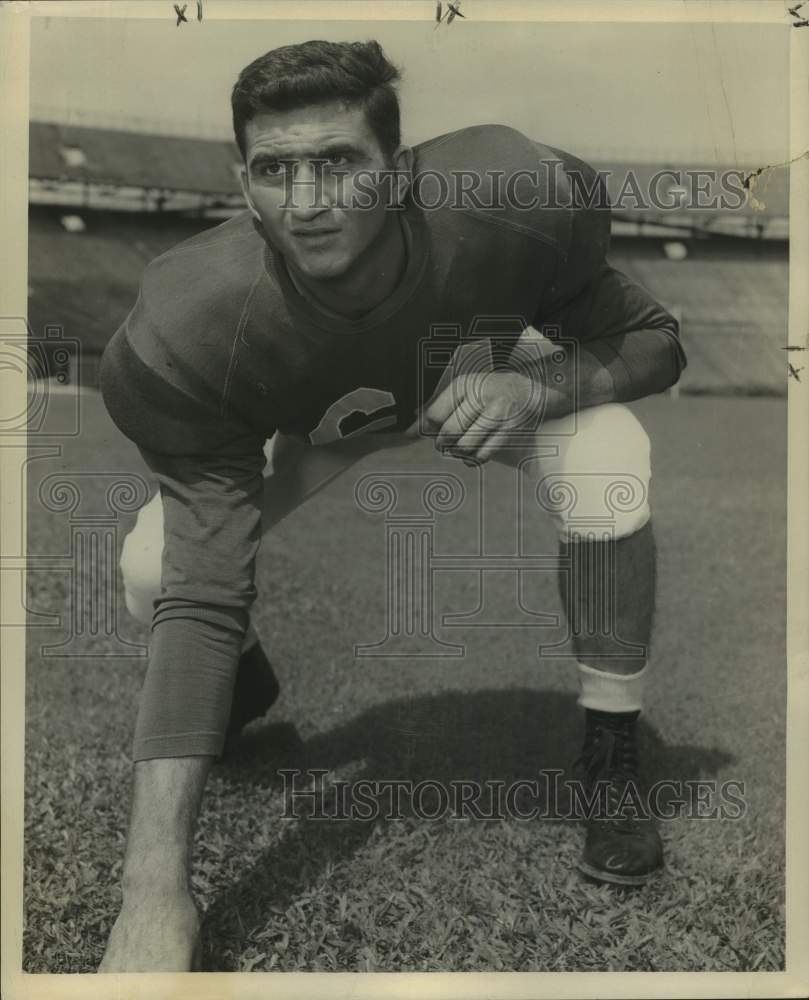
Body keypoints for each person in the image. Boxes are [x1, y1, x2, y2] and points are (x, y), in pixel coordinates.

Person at [98, 39, 686, 971]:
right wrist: (153, 892)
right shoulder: (184, 326)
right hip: (324, 427)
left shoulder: (515, 195)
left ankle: (609, 759)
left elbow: (654, 341)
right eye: (276, 169)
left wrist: (536, 390)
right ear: (240, 182)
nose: (307, 200)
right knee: (148, 569)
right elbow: (203, 585)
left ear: (401, 170)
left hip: (487, 376)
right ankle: (245, 686)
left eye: (339, 162)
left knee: (612, 454)